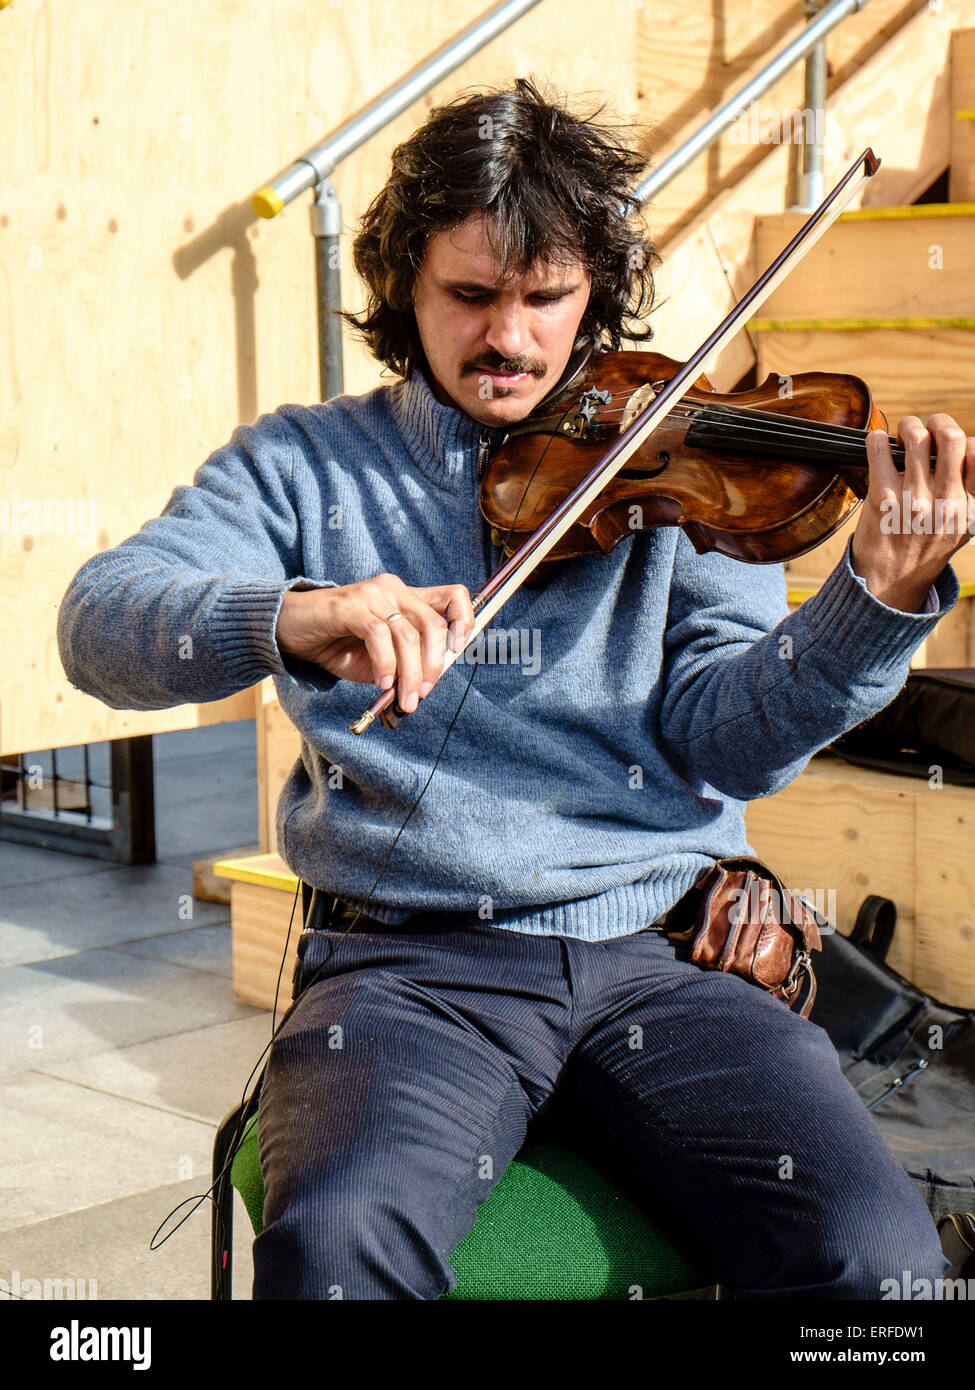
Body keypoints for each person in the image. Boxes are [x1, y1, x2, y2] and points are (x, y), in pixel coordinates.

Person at [58, 77, 973, 1301]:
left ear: (593, 292)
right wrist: (289, 615)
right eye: (472, 295)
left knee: (883, 1265)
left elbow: (731, 741)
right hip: (407, 971)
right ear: (404, 289)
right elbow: (98, 623)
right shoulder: (305, 464)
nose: (513, 339)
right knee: (337, 1257)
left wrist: (870, 606)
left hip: (662, 953)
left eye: (549, 298)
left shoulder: (685, 461)